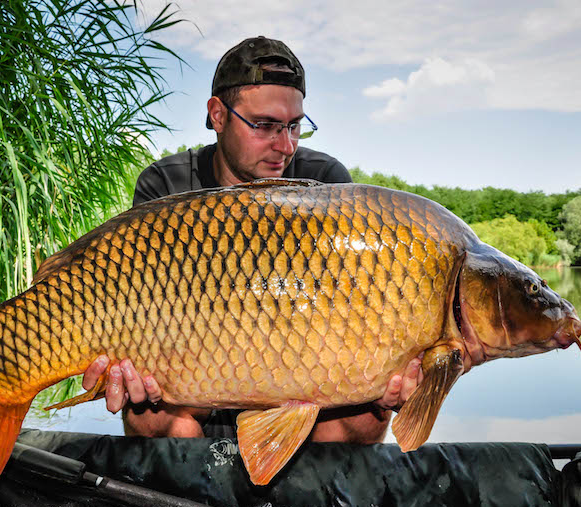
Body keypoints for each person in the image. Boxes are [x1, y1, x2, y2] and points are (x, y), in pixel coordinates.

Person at [83, 36, 423, 443]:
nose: (285, 145)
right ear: (217, 115)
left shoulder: (326, 185)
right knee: (152, 416)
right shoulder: (168, 185)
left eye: (294, 126)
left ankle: (303, 506)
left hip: (302, 385)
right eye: (264, 125)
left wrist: (382, 378)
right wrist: (129, 369)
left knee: (366, 418)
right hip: (193, 385)